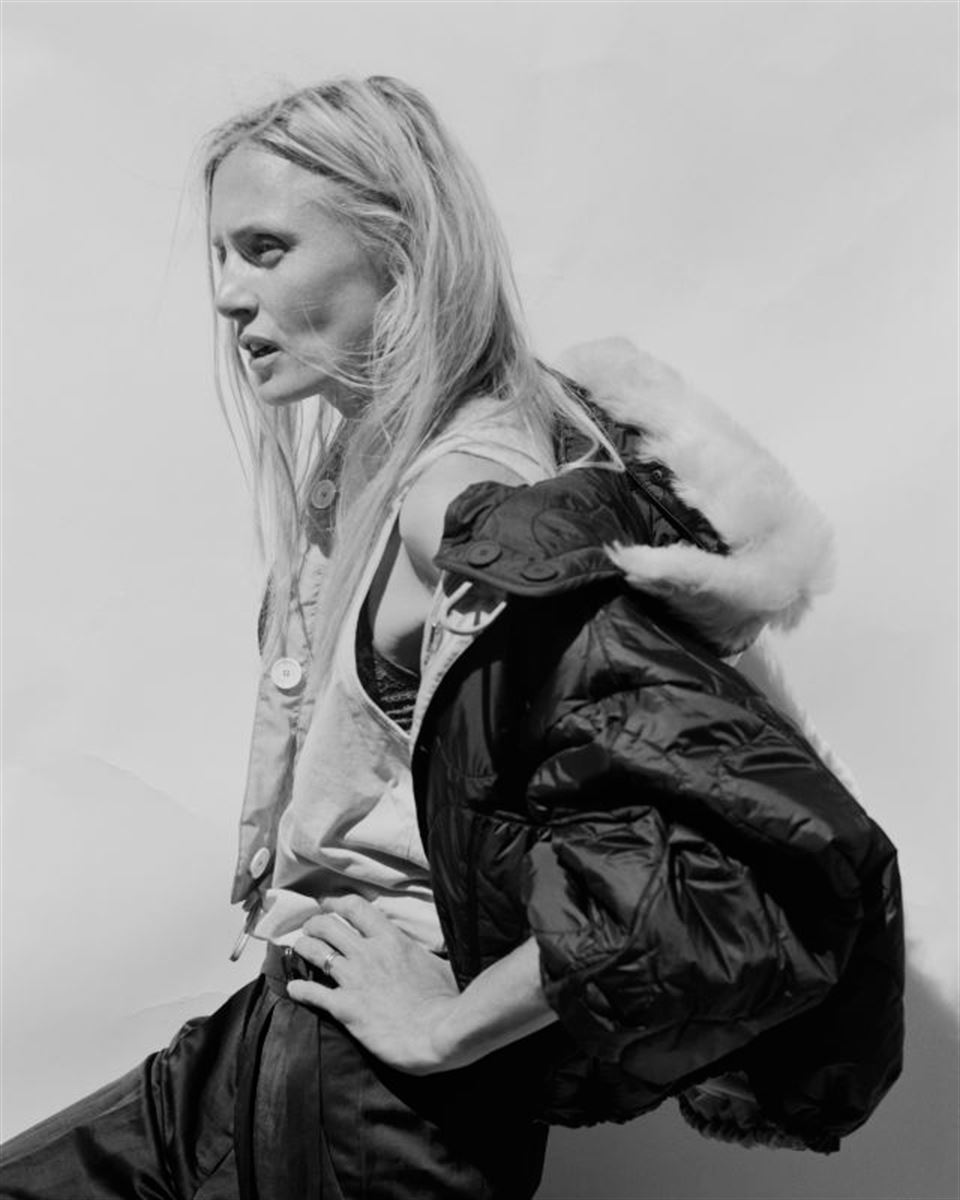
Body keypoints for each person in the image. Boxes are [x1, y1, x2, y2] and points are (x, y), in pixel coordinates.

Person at [0, 75, 903, 1200]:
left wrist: (452, 1026)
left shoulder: (463, 505)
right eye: (222, 256)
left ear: (400, 250)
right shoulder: (385, 471)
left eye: (267, 249)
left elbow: (730, 870)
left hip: (371, 1101)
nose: (228, 295)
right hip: (285, 1035)